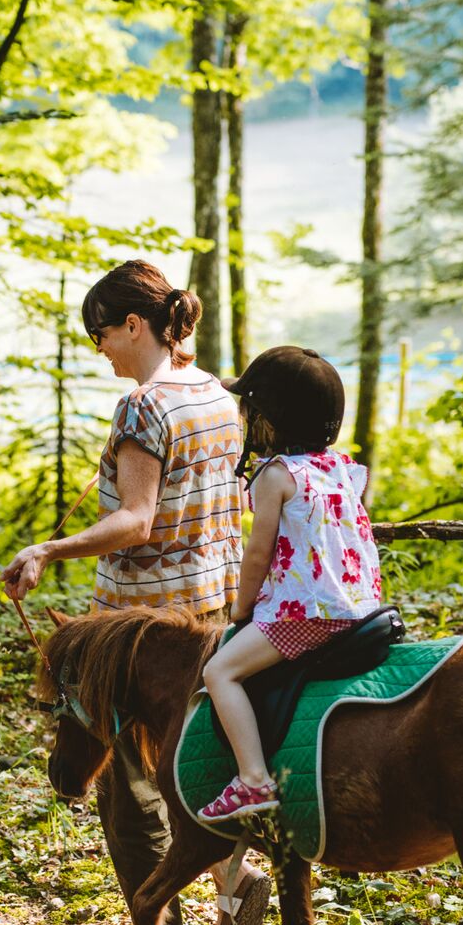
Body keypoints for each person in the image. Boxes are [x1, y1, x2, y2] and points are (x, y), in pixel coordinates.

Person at [0, 259, 271, 925]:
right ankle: (227, 882)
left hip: (140, 631)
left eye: (102, 333)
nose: (100, 350)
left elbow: (137, 518)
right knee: (193, 768)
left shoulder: (143, 408)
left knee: (128, 798)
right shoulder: (215, 393)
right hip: (209, 618)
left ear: (134, 324)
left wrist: (47, 548)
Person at [197, 346, 386, 821]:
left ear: (268, 418)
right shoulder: (340, 469)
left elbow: (258, 554)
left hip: (307, 613)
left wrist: (241, 610)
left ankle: (253, 781)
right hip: (361, 608)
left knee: (219, 672)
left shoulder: (275, 476)